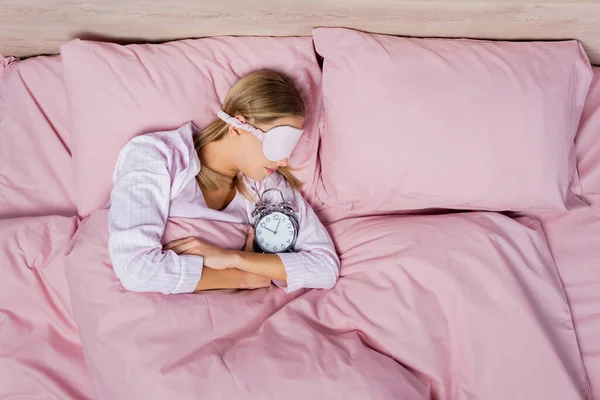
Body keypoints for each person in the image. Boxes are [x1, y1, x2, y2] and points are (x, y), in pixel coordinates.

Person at [107, 70, 340, 295]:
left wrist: (234, 258)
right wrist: (245, 278)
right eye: (279, 144)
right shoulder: (155, 156)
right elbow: (136, 270)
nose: (284, 159)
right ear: (238, 127)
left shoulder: (268, 186)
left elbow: (325, 268)